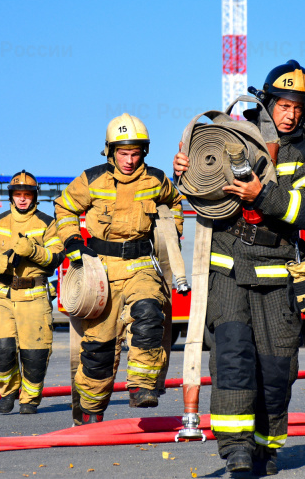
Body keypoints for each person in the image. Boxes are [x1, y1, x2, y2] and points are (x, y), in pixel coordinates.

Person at [173, 60, 305, 475]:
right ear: (266, 101)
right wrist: (186, 170)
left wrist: (265, 195)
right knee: (232, 358)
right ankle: (236, 450)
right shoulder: (230, 134)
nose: (291, 113)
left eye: (299, 106)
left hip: (278, 274)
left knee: (278, 370)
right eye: (283, 103)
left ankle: (267, 445)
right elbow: (203, 183)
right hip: (227, 270)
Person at [55, 113, 183, 424]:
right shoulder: (91, 179)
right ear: (110, 152)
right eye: (123, 153)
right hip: (102, 271)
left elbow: (175, 200)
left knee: (150, 314)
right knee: (98, 349)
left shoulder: (156, 179)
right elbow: (65, 206)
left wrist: (173, 229)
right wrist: (72, 240)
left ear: (144, 152)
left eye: (135, 153)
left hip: (141, 265)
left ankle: (142, 387)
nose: (129, 160)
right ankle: (89, 411)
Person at [0, 170, 65, 415]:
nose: (22, 199)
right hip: (1, 294)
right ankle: (8, 392)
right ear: (11, 196)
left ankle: (30, 399)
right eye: (18, 194)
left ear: (34, 197)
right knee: (2, 349)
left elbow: (56, 257)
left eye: (27, 194)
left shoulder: (47, 223)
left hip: (34, 295)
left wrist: (33, 251)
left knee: (35, 354)